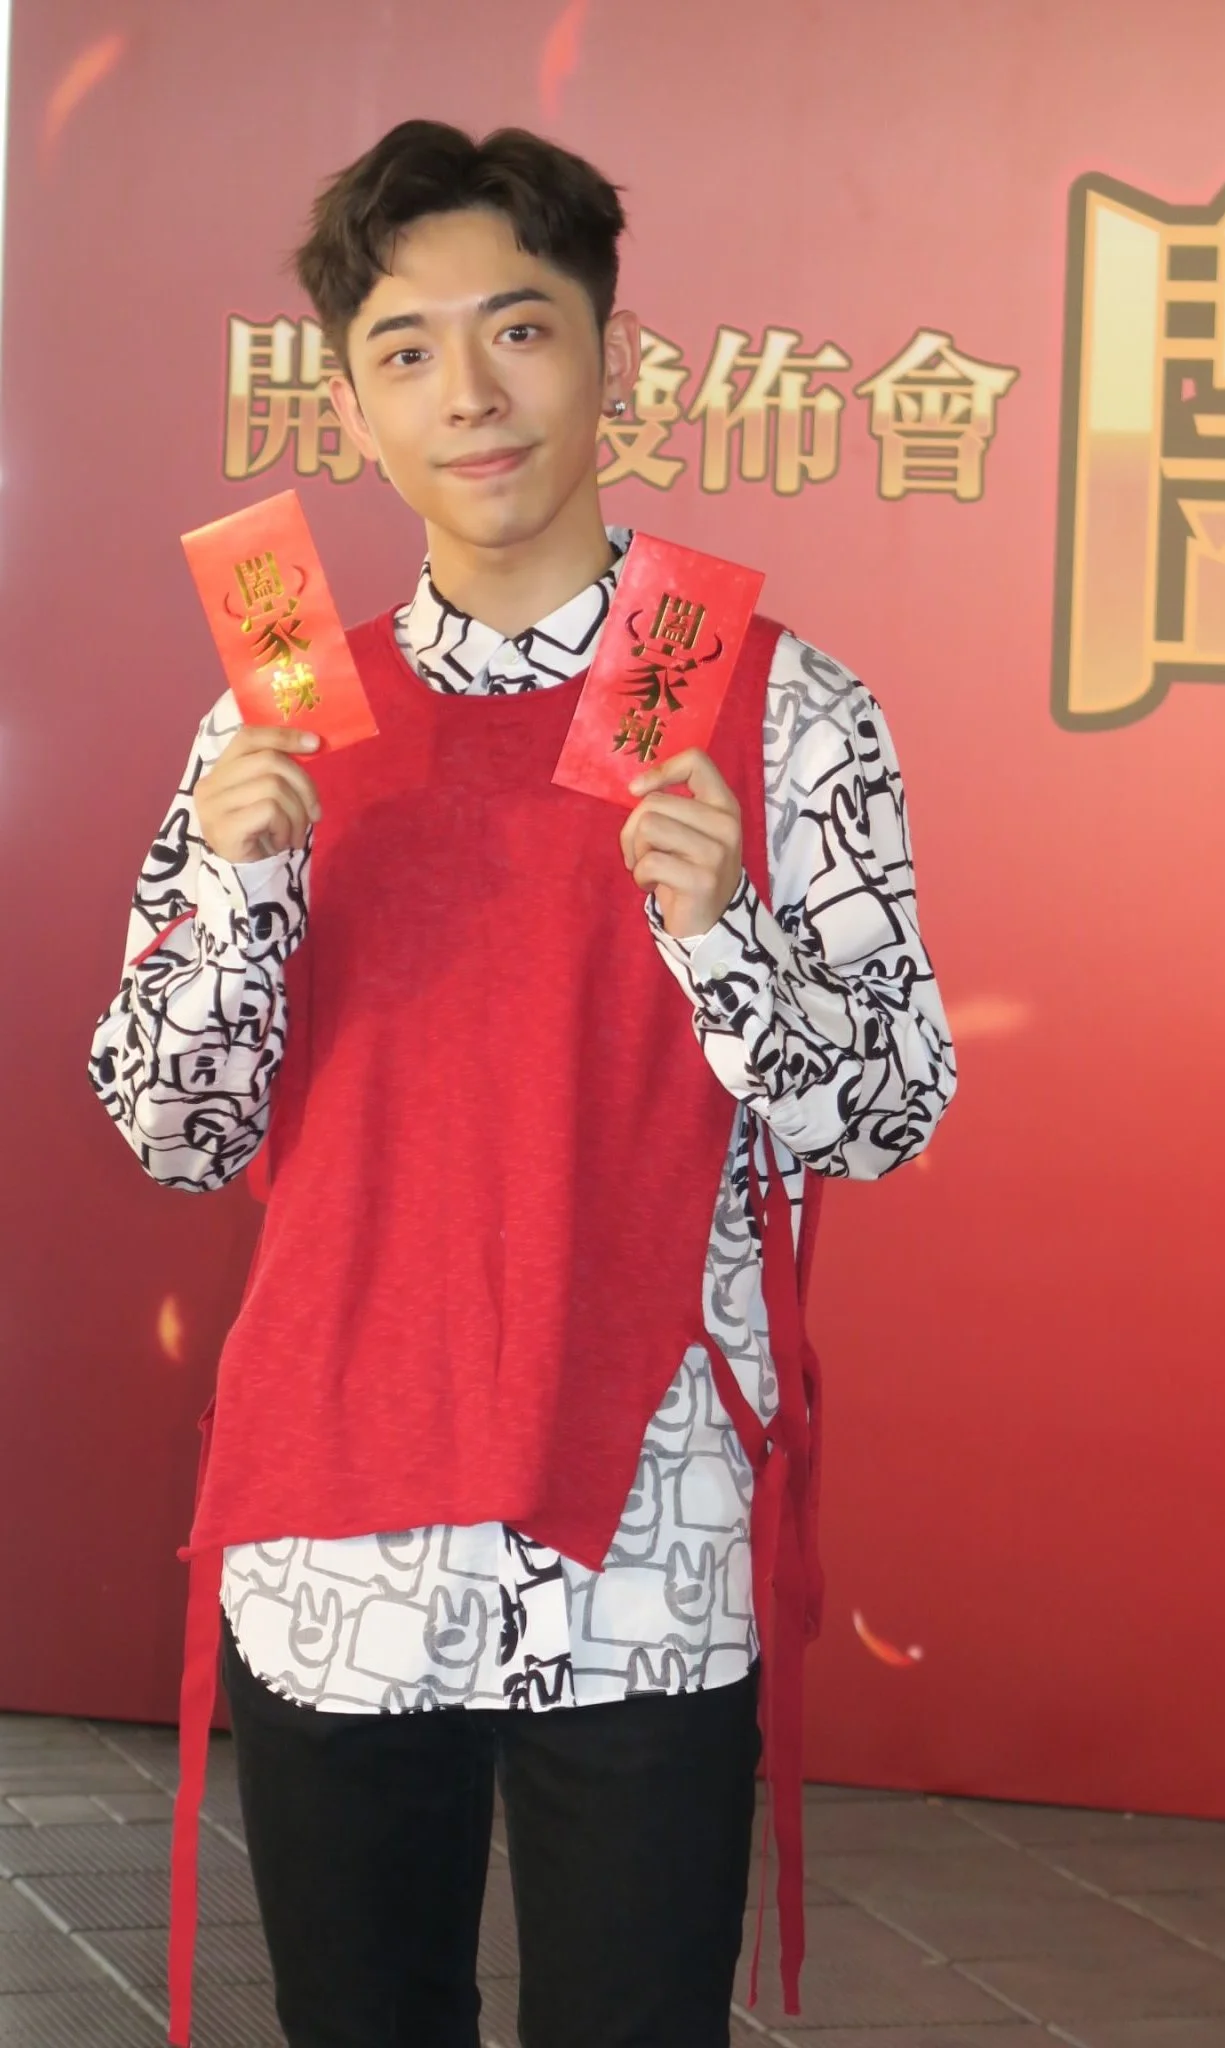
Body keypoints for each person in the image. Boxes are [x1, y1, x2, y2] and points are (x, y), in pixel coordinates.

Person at [89, 119, 956, 2048]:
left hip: (644, 1523)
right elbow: (172, 1128)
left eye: (520, 330)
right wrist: (242, 891)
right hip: (335, 1523)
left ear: (612, 357)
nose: (469, 395)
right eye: (406, 351)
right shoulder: (280, 716)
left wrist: (727, 935)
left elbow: (891, 1109)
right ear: (351, 407)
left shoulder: (771, 703)